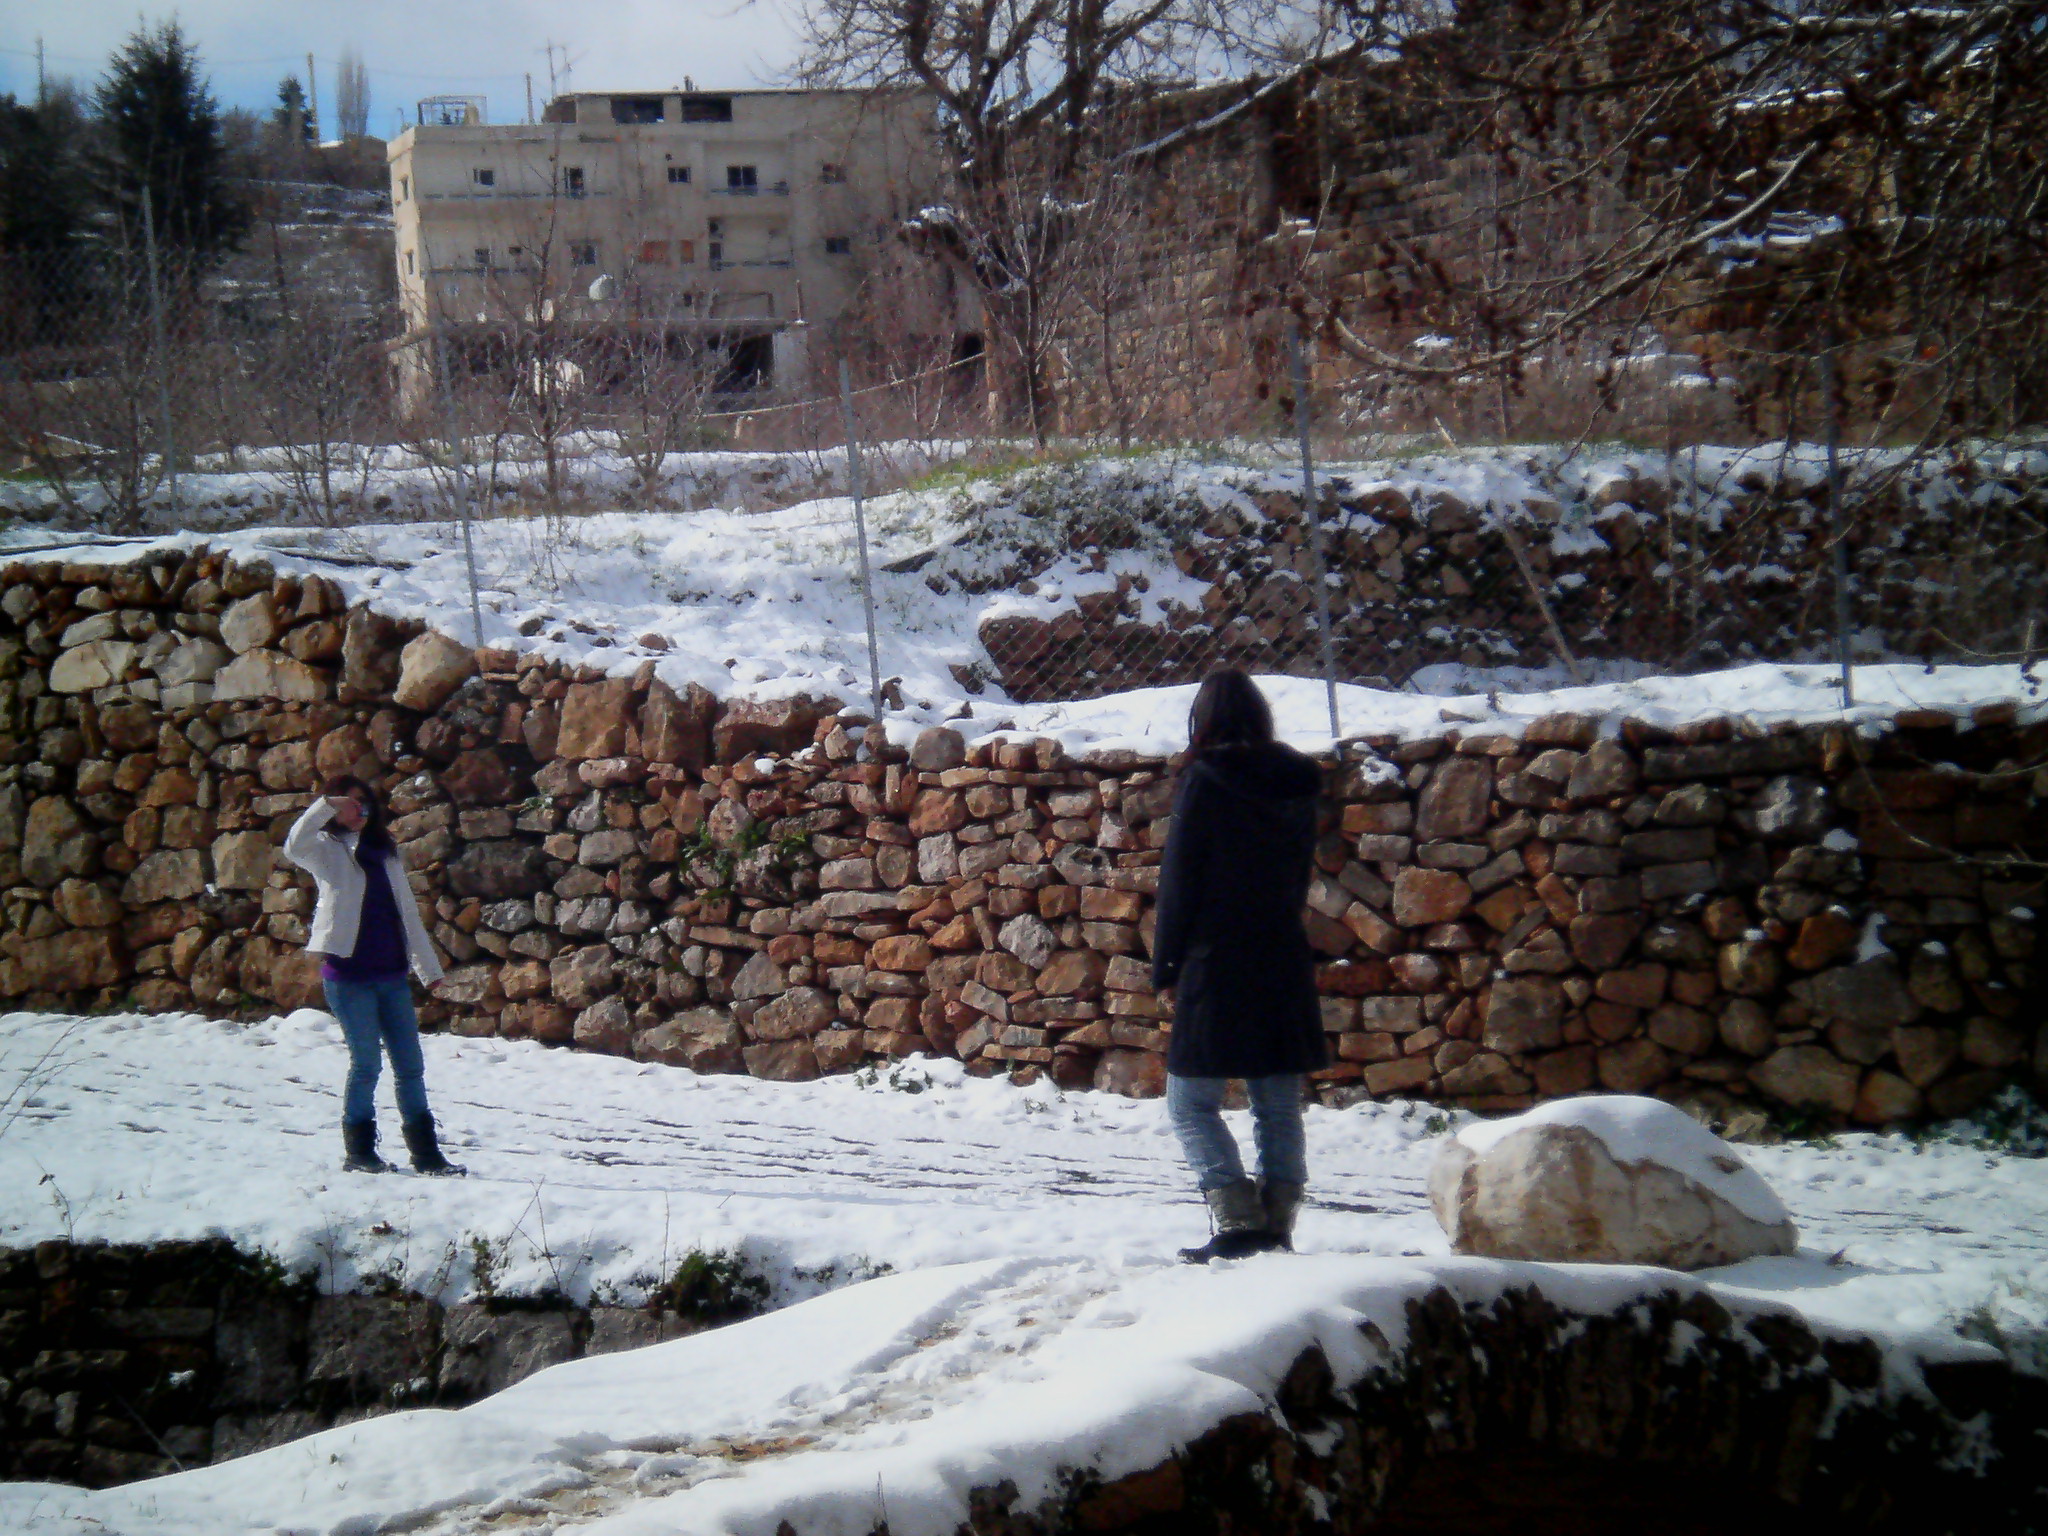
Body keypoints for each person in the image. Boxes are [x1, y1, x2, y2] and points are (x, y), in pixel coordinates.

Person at [1152, 670, 1327, 1262]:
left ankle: (1237, 1221)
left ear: (1204, 720)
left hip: (1216, 960)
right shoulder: (1300, 782)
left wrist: (1167, 966)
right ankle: (1277, 1225)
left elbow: (1180, 882)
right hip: (1282, 953)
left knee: (1188, 1102)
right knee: (1276, 1102)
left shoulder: (1205, 780)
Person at [283, 775, 465, 1176]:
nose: (356, 811)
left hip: (391, 975)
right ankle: (360, 1152)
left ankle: (427, 1155)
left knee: (410, 1066)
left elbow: (408, 914)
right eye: (348, 804)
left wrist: (428, 969)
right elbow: (293, 845)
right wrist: (327, 805)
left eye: (363, 804)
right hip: (348, 977)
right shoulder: (325, 850)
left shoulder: (386, 851)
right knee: (366, 1064)